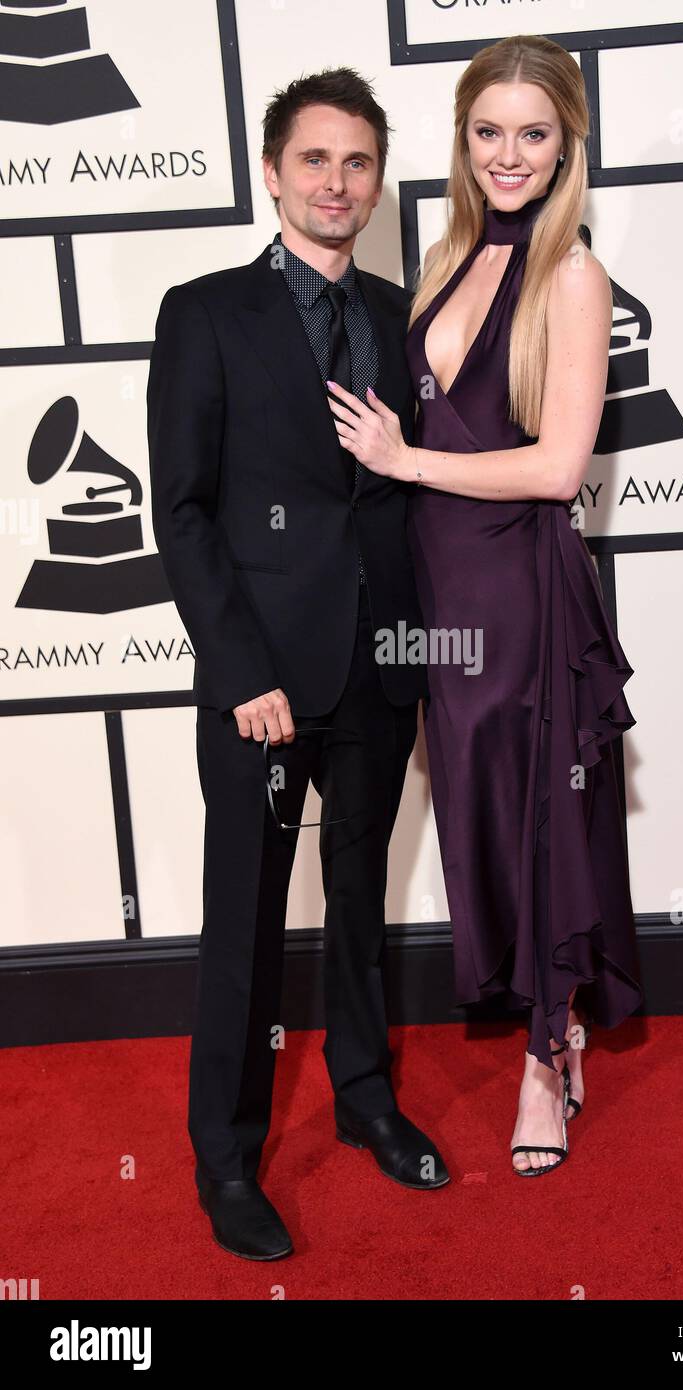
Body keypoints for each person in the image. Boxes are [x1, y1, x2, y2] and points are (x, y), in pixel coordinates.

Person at [326, 36, 644, 1177]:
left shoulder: (569, 273)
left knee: (535, 814)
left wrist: (407, 461)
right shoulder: (446, 261)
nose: (508, 155)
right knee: (472, 815)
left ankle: (544, 1060)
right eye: (487, 131)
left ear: (567, 145)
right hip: (434, 593)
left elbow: (559, 468)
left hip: (517, 587)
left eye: (533, 133)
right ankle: (535, 1017)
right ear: (461, 142)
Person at [146, 68, 449, 1262]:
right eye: (314, 160)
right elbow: (182, 512)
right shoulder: (205, 311)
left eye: (357, 162)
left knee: (362, 911)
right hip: (261, 686)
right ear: (270, 173)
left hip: (377, 670)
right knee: (246, 930)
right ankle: (225, 1159)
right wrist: (240, 672)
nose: (336, 181)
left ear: (377, 183)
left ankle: (366, 1099)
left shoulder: (398, 313)